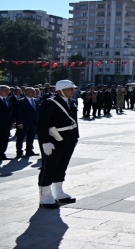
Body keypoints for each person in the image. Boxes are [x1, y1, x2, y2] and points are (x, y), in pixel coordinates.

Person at [36, 80, 79, 208]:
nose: (73, 91)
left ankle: (58, 192)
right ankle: (45, 197)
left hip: (68, 139)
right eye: (69, 89)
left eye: (73, 89)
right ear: (60, 90)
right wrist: (45, 142)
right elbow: (42, 124)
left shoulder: (71, 102)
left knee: (61, 166)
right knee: (49, 168)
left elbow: (74, 121)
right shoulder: (49, 103)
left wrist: (75, 137)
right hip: (53, 140)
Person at [15, 87, 40, 157]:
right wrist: (19, 123)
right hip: (24, 123)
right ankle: (19, 152)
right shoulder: (21, 101)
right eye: (31, 92)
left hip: (33, 123)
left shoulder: (36, 100)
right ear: (26, 93)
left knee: (31, 137)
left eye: (34, 91)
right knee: (21, 138)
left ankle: (29, 150)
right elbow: (18, 113)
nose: (34, 93)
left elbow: (38, 112)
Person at [0, 85, 15, 161]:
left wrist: (12, 122)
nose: (7, 92)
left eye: (8, 90)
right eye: (5, 90)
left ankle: (1, 155)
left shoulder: (8, 99)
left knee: (4, 140)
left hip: (6, 124)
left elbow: (10, 112)